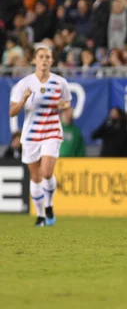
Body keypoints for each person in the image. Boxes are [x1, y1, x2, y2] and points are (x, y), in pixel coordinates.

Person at [9, 45, 72, 227]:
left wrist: (64, 106)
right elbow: (12, 112)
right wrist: (24, 99)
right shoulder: (24, 84)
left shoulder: (60, 82)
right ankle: (40, 215)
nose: (44, 60)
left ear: (52, 61)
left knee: (47, 172)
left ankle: (50, 205)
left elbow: (67, 102)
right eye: (41, 57)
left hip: (52, 132)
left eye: (48, 57)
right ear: (34, 61)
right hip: (30, 135)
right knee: (35, 177)